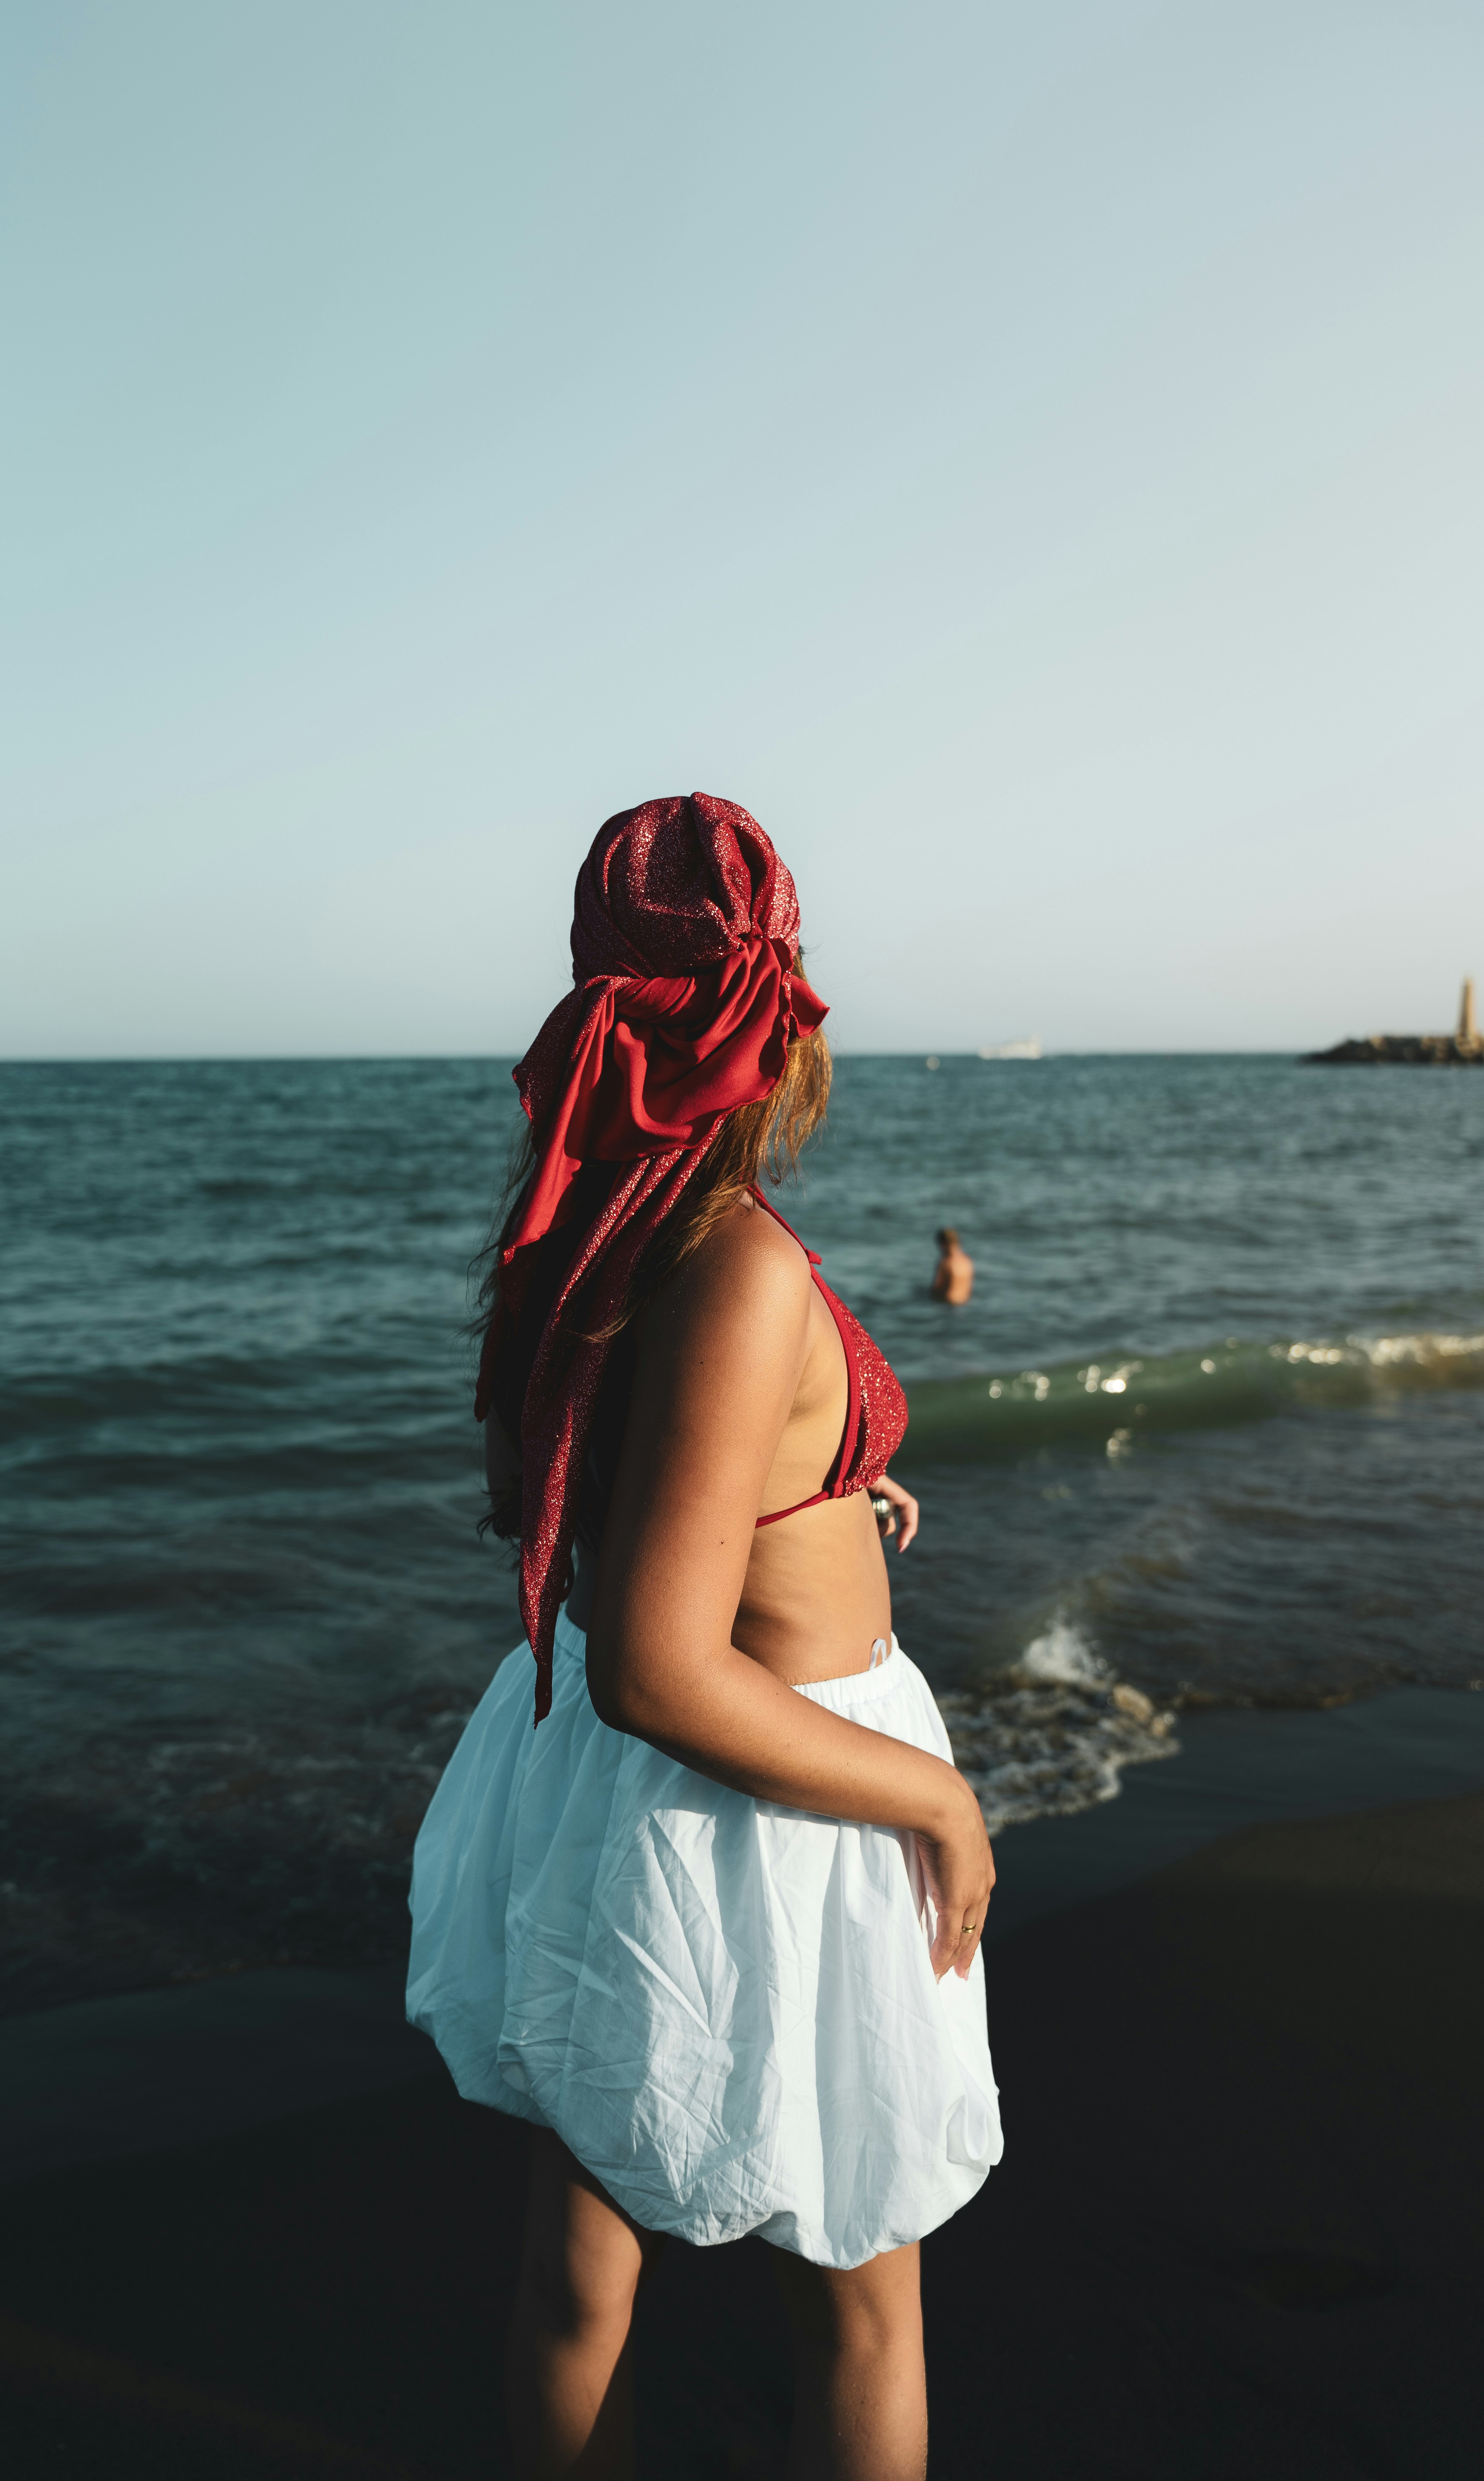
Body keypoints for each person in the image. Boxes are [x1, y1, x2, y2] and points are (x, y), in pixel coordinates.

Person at [408, 794, 1000, 2481]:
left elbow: (594, 1503)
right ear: (771, 1023)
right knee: (861, 2294)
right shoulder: (734, 1265)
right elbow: (661, 1667)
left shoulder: (583, 1234)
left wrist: (824, 1493)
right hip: (774, 1783)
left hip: (611, 1798)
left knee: (580, 2270)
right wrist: (932, 1800)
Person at [929, 1228, 974, 1307]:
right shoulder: (968, 1261)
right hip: (965, 1303)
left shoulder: (946, 1262)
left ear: (943, 1244)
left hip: (948, 1304)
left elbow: (936, 1288)